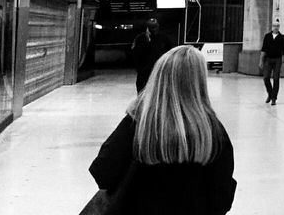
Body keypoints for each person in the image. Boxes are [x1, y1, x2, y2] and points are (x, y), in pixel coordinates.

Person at [88, 46, 236, 214]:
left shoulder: (137, 123)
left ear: (158, 77)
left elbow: (103, 173)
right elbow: (222, 198)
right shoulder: (212, 131)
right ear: (199, 82)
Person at [130, 18, 174, 93]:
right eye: (152, 27)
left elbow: (171, 52)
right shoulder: (140, 38)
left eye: (155, 27)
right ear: (147, 28)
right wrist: (148, 41)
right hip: (145, 73)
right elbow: (135, 54)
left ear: (158, 26)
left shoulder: (164, 38)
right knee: (142, 94)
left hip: (159, 71)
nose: (154, 29)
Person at [259, 21, 284, 105]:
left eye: (277, 26)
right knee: (266, 77)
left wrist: (283, 60)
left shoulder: (282, 37)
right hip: (268, 59)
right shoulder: (267, 36)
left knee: (276, 78)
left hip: (278, 59)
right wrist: (261, 61)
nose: (276, 27)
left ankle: (274, 98)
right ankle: (270, 94)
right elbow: (263, 49)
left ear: (279, 27)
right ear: (272, 26)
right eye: (274, 26)